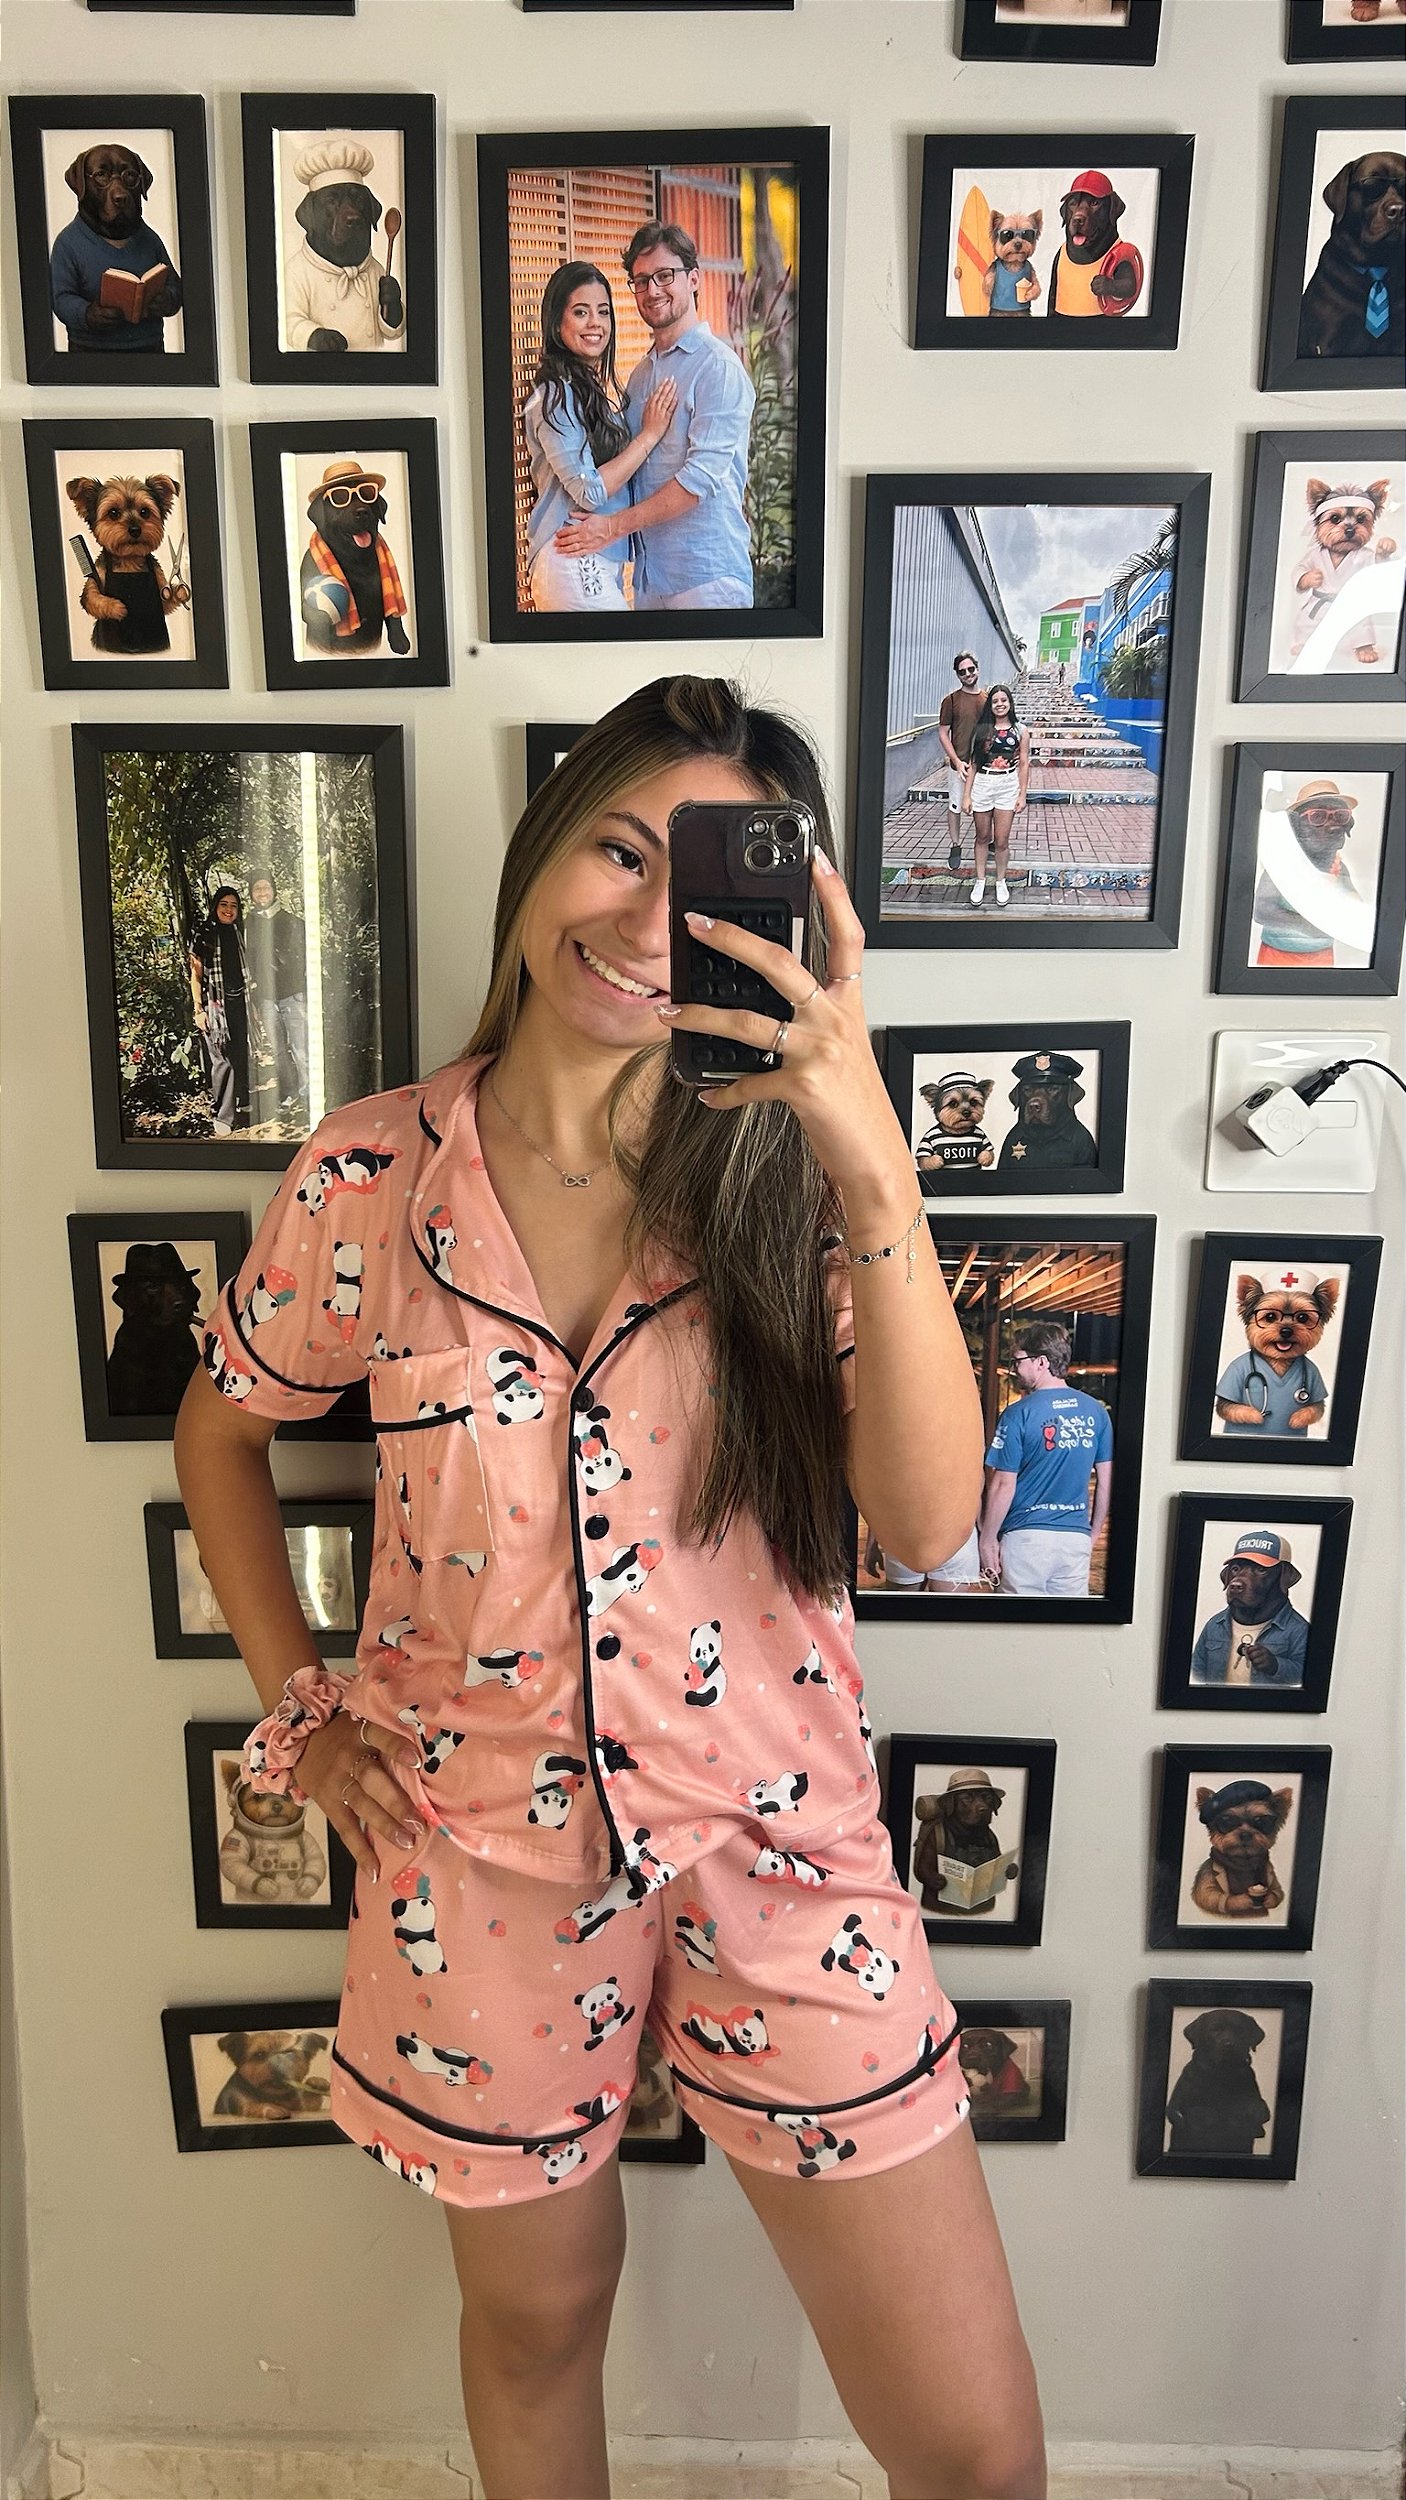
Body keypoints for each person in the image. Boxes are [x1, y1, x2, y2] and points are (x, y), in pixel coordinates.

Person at [173, 676, 1046, 2500]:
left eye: (708, 878)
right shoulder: (367, 1178)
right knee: (535, 2330)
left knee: (969, 2447)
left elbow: (924, 1517)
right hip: (473, 1859)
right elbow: (222, 1433)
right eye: (618, 851)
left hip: (781, 1850)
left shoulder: (796, 1182)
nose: (649, 922)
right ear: (539, 855)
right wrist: (301, 1715)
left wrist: (869, 1153)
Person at [554, 224, 757, 611]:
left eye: (665, 275)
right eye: (642, 280)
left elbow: (698, 481)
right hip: (649, 580)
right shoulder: (641, 375)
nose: (653, 290)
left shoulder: (717, 368)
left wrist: (610, 528)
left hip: (706, 578)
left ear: (693, 279)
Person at [521, 260, 677, 613]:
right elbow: (588, 491)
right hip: (571, 559)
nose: (595, 323)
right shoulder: (555, 397)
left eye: (603, 312)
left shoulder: (589, 393)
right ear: (557, 323)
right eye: (581, 312)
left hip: (597, 562)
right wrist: (649, 436)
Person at [979, 1322, 1112, 1597]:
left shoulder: (1018, 1414)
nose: (1014, 1369)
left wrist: (987, 1539)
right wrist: (1093, 1533)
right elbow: (1106, 1482)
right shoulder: (1096, 1412)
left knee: (1019, 1623)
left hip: (1026, 1539)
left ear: (1041, 1362)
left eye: (1018, 1360)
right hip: (1075, 1539)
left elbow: (1003, 1484)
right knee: (1067, 1622)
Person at [1189, 1533, 1309, 1689]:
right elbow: (1195, 1674)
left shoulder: (1299, 1630)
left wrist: (1276, 1665)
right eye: (1236, 1569)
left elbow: (1310, 1677)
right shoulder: (1214, 1626)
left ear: (1284, 1575)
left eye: (1261, 1570)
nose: (1236, 1582)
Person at [188, 885, 255, 1136]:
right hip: (214, 1005)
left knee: (239, 1052)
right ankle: (223, 1115)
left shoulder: (239, 932)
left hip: (239, 1002)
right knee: (222, 1059)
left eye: (233, 906)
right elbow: (195, 975)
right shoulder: (204, 933)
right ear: (215, 906)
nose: (229, 910)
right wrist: (198, 1009)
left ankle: (242, 1100)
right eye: (224, 905)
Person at [245, 873, 309, 1117]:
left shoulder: (292, 922)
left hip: (293, 995)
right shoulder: (249, 924)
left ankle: (308, 1093)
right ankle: (290, 1092)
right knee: (278, 1050)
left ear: (274, 890)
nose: (262, 892)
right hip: (266, 998)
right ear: (251, 894)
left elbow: (304, 958)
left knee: (301, 1047)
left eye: (266, 887)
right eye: (257, 888)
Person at [962, 682, 1030, 910]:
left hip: (1007, 785)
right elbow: (973, 763)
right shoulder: (982, 730)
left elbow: (1024, 763)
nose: (1000, 704)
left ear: (1010, 703)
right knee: (982, 837)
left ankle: (1001, 881)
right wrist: (967, 795)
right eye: (995, 701)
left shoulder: (1020, 731)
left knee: (1001, 840)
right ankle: (980, 880)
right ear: (990, 705)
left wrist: (1022, 794)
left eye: (1003, 700)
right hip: (983, 783)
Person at [937, 651, 985, 874]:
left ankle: (985, 841)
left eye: (970, 669)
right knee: (955, 806)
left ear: (977, 669)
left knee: (983, 807)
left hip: (983, 767)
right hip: (960, 766)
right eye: (962, 671)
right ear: (957, 675)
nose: (967, 674)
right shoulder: (951, 701)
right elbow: (943, 733)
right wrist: (956, 760)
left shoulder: (987, 700)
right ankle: (955, 845)